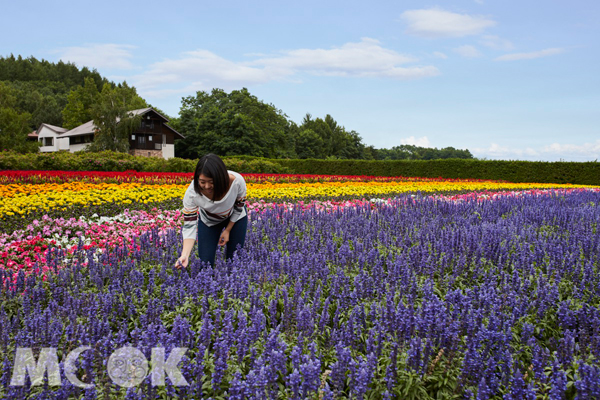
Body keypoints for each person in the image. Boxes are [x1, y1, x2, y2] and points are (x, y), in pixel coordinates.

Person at [174, 153, 248, 268]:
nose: (207, 186)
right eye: (202, 182)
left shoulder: (237, 181)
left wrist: (228, 229)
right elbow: (189, 226)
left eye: (212, 182)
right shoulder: (192, 194)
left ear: (221, 178)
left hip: (235, 218)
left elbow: (239, 207)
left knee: (235, 259)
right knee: (205, 263)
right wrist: (185, 255)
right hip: (209, 221)